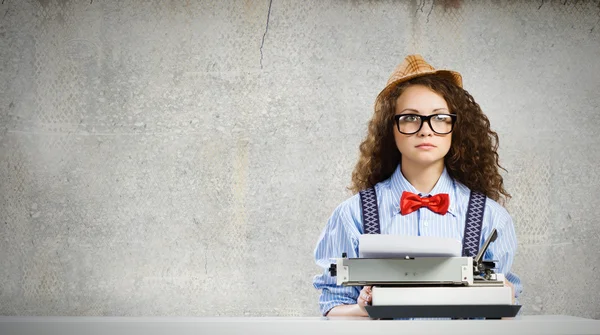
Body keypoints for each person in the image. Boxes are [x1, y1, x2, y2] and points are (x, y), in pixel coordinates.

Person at [312, 54, 522, 317]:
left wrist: (503, 296)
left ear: (456, 127)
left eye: (439, 117)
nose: (426, 130)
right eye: (410, 118)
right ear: (391, 128)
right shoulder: (352, 215)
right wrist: (363, 309)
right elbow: (332, 307)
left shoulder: (491, 218)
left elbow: (505, 317)